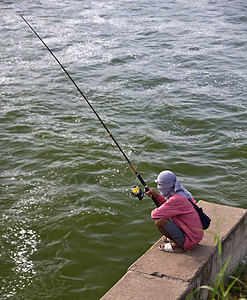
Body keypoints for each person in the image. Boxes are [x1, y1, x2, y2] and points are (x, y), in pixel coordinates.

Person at [146, 170, 203, 253]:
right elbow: (170, 205)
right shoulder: (181, 192)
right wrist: (157, 196)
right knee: (166, 215)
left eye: (160, 185)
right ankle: (178, 238)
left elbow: (155, 215)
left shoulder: (176, 199)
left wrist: (160, 210)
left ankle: (179, 245)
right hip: (196, 234)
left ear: (168, 185)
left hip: (190, 240)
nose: (158, 188)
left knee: (160, 222)